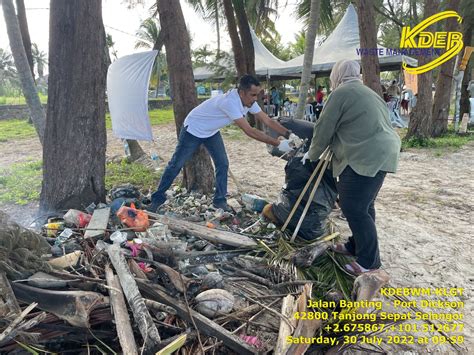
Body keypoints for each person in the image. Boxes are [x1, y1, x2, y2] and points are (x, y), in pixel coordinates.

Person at [301, 60, 401, 275]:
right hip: (383, 151)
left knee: (353, 207)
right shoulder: (367, 91)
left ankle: (369, 261)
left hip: (364, 154)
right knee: (364, 205)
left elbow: (324, 126)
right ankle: (355, 246)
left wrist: (311, 155)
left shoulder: (340, 93)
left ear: (336, 74)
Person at [147, 75, 296, 213]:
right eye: (253, 95)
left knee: (222, 163)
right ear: (242, 92)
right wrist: (277, 143)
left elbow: (268, 120)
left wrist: (289, 134)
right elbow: (249, 131)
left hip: (211, 131)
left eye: (257, 95)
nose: (255, 99)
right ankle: (157, 198)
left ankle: (219, 201)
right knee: (176, 164)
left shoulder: (249, 102)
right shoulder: (230, 102)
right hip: (194, 128)